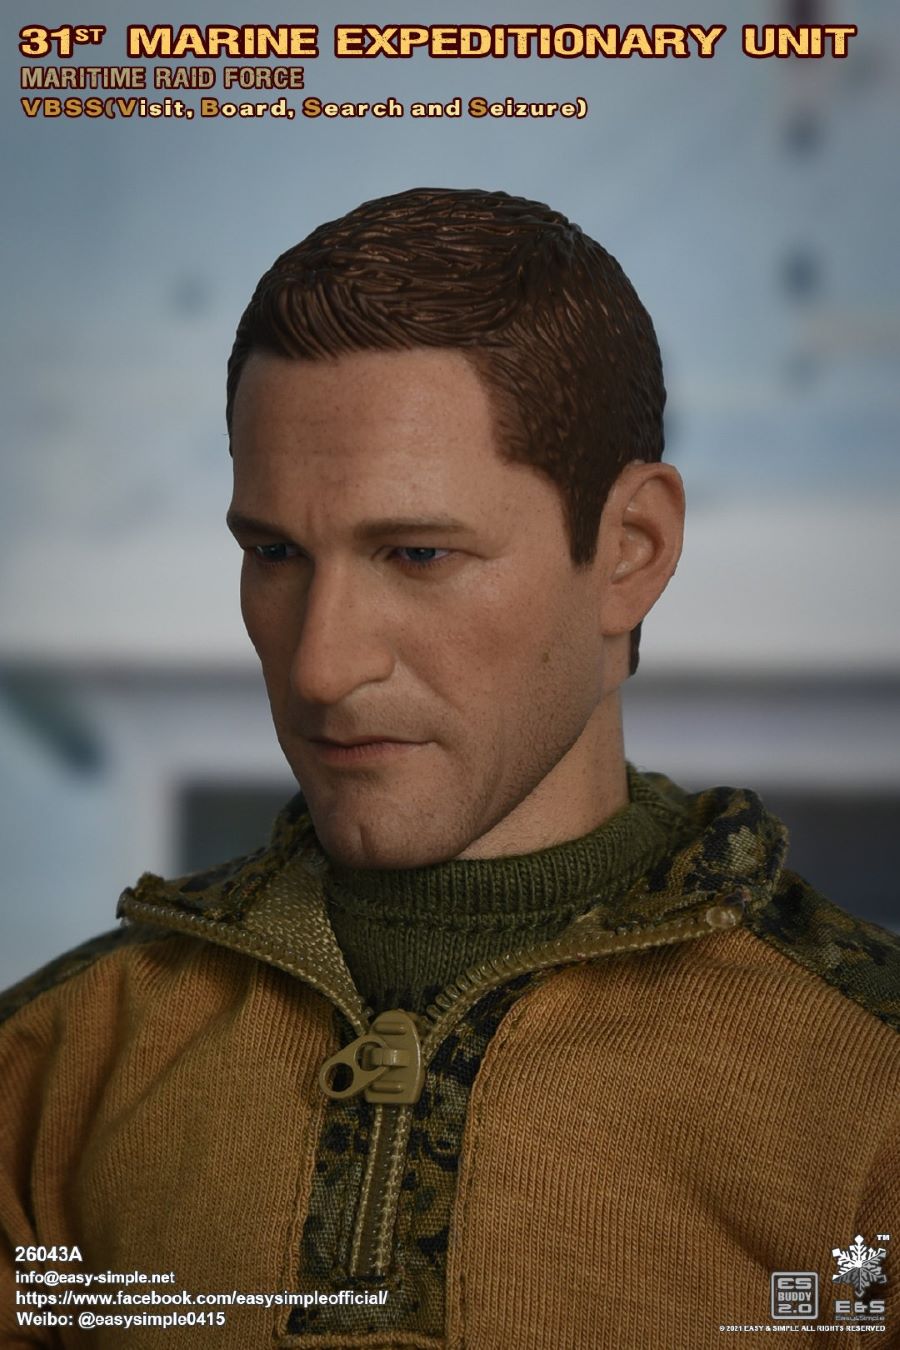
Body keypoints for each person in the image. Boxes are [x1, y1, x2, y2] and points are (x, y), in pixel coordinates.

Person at [1, 187, 897, 1350]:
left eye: (418, 552)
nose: (320, 666)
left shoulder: (868, 1088)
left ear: (630, 552)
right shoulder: (49, 1071)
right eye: (274, 552)